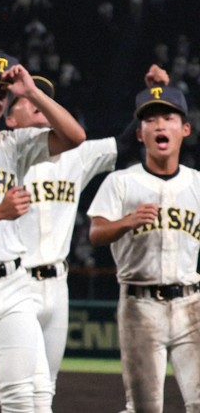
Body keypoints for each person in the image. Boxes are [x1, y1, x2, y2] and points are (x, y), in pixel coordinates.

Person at [0, 50, 85, 411]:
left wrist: (32, 93)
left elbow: (74, 137)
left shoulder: (12, 145)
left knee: (25, 397)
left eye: (1, 95)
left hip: (13, 285)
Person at [9, 68, 157, 403]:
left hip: (58, 284)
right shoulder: (1, 151)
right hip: (16, 282)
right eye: (25, 98)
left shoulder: (76, 156)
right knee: (22, 388)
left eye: (42, 96)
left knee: (46, 387)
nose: (37, 102)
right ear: (11, 120)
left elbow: (124, 145)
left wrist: (148, 99)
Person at [88, 84, 200, 412]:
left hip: (192, 304)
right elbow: (96, 232)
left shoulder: (196, 183)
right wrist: (126, 222)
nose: (160, 125)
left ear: (185, 129)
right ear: (139, 134)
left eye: (168, 117)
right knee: (145, 407)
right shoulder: (122, 182)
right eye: (150, 120)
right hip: (139, 306)